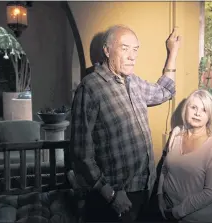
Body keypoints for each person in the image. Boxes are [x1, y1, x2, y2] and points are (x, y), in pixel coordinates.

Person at [70, 24, 181, 222]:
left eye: (135, 49)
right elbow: (81, 154)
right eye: (124, 48)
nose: (132, 56)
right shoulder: (90, 88)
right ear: (106, 50)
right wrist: (110, 194)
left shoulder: (134, 81)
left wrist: (173, 51)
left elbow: (164, 91)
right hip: (114, 198)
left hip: (145, 189)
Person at [157, 89, 212, 223]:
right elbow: (165, 169)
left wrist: (177, 212)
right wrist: (159, 196)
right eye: (193, 107)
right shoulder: (176, 135)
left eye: (204, 110)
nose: (198, 113)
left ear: (210, 116)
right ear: (185, 109)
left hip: (196, 218)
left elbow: (211, 192)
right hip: (167, 212)